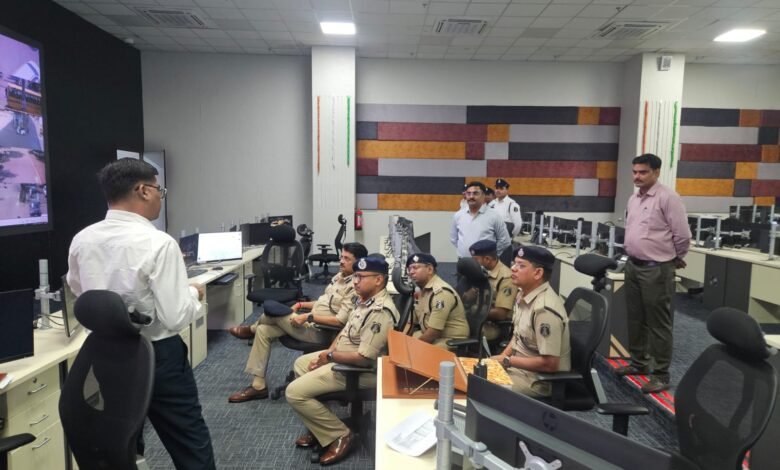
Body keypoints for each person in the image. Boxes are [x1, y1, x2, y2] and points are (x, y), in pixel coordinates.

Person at [66, 159, 215, 470]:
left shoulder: (82, 239)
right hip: (158, 355)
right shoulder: (158, 243)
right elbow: (175, 317)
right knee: (188, 439)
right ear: (143, 190)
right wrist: (193, 293)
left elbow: (83, 294)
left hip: (107, 355)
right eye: (160, 189)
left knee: (124, 437)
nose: (161, 196)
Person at [286, 257, 399, 465]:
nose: (355, 281)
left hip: (361, 371)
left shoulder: (380, 312)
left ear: (378, 280)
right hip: (343, 357)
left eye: (361, 277)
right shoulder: (363, 299)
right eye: (355, 276)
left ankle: (341, 435)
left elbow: (363, 359)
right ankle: (323, 428)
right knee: (300, 364)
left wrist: (330, 357)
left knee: (293, 393)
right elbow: (344, 332)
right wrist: (328, 352)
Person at [227, 242, 368, 403]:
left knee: (273, 311)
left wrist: (308, 317)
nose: (341, 261)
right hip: (310, 324)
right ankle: (258, 386)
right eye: (341, 257)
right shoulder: (339, 277)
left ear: (358, 263)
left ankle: (250, 329)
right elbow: (323, 303)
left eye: (347, 259)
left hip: (322, 331)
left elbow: (340, 321)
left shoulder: (354, 287)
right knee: (264, 330)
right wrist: (301, 305)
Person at [617, 153, 691, 394]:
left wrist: (674, 258)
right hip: (633, 265)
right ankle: (639, 363)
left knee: (658, 323)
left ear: (656, 172)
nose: (637, 176)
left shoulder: (668, 198)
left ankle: (660, 374)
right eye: (635, 172)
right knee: (635, 318)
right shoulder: (634, 199)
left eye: (643, 172)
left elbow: (682, 235)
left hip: (656, 268)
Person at [492, 246, 570, 398]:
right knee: (471, 374)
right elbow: (518, 336)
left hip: (536, 380)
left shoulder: (544, 310)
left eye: (521, 265)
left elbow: (550, 364)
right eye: (514, 263)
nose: (513, 268)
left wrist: (507, 361)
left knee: (478, 387)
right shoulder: (523, 294)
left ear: (538, 273)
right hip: (517, 369)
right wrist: (499, 361)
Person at [406, 253, 469, 348]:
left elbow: (433, 332)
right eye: (409, 269)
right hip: (431, 335)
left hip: (449, 340)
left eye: (415, 268)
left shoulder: (441, 293)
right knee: (403, 343)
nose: (411, 272)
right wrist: (402, 340)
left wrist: (412, 347)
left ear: (430, 269)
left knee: (412, 351)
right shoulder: (422, 291)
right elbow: (410, 323)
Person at [469, 240, 518, 341]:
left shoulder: (506, 278)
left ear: (487, 259)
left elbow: (501, 314)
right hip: (479, 319)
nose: (473, 263)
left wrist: (474, 311)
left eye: (475, 260)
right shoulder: (480, 272)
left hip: (496, 325)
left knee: (462, 330)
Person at [451, 181, 511, 259]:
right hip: (464, 261)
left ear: (483, 196)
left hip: (485, 263)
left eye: (475, 193)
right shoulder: (458, 215)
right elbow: (454, 239)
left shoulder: (494, 216)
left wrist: (491, 255)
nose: (471, 196)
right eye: (468, 193)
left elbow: (505, 241)